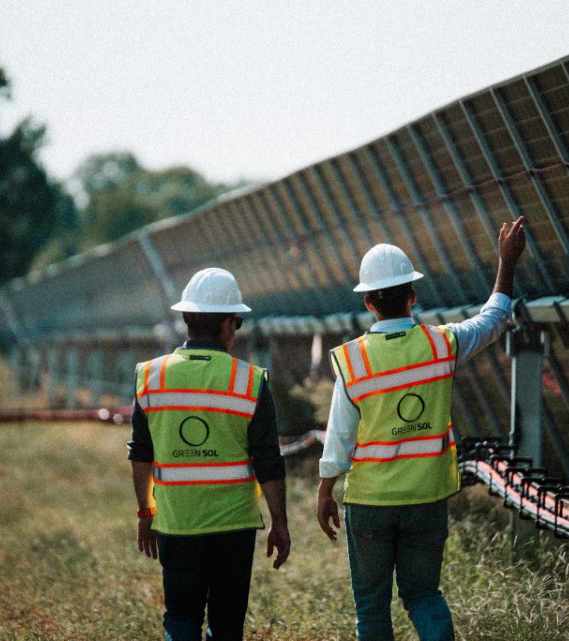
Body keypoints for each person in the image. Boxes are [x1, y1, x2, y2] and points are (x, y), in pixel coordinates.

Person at [316, 217, 527, 641]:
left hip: (371, 503)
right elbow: (494, 318)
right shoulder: (442, 344)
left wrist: (325, 490)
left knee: (372, 606)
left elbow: (339, 438)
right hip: (427, 497)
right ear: (413, 296)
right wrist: (507, 263)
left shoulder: (353, 361)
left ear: (368, 304)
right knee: (424, 595)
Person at [128, 267, 291, 641]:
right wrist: (279, 522)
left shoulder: (151, 376)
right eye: (236, 322)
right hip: (234, 527)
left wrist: (144, 511)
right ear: (227, 325)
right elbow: (268, 460)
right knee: (227, 626)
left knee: (182, 618)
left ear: (187, 319)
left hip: (177, 522)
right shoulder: (250, 381)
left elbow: (141, 454)